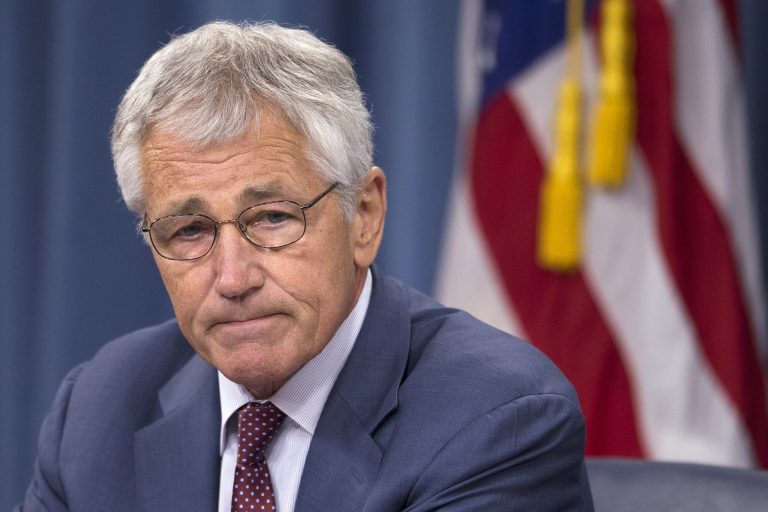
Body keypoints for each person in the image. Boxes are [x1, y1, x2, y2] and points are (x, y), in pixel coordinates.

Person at [17, 21, 593, 512]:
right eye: (189, 230)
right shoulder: (98, 411)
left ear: (363, 216)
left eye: (271, 218)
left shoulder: (497, 423)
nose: (233, 278)